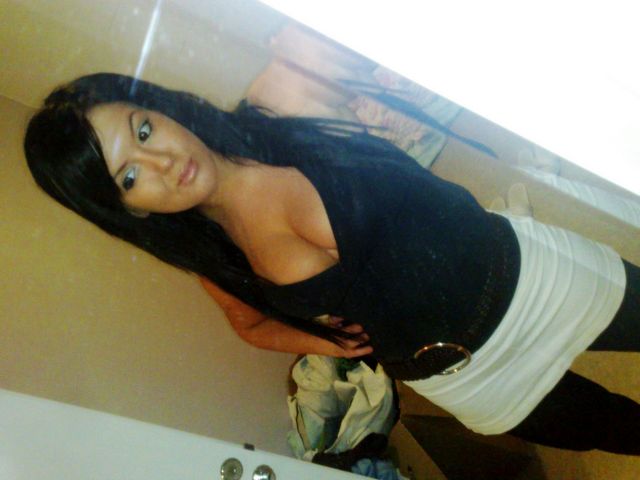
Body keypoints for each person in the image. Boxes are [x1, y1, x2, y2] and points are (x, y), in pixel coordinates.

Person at [24, 73, 640, 454]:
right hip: (466, 377)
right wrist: (331, 343)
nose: (160, 164)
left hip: (535, 281)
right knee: (617, 430)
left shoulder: (277, 102)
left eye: (143, 131)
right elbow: (248, 325)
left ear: (159, 107)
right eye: (129, 177)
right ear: (128, 210)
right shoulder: (214, 256)